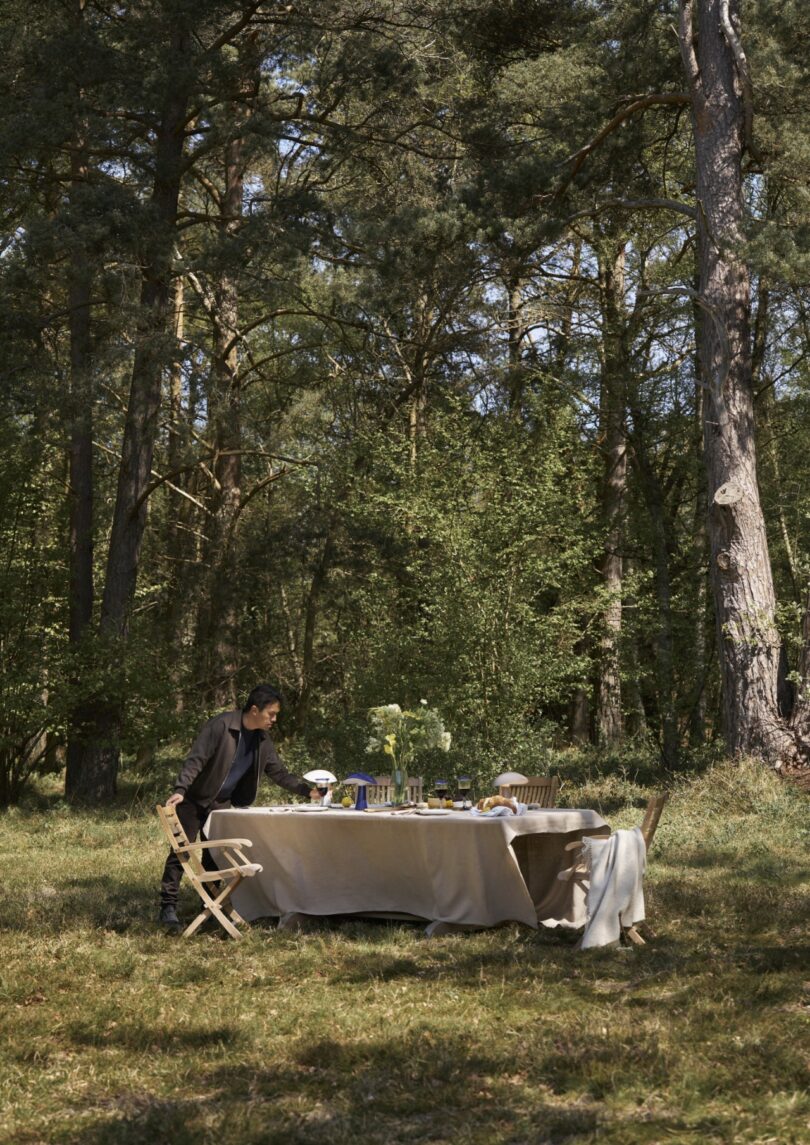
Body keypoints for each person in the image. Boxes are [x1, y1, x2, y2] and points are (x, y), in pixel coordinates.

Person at [158, 683, 315, 929]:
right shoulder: (221, 726)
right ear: (254, 710)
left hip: (221, 804)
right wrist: (180, 790)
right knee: (181, 854)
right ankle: (168, 908)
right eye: (271, 714)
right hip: (194, 799)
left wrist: (308, 791)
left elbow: (279, 773)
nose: (274, 719)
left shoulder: (262, 739)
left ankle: (208, 907)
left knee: (213, 856)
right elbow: (196, 759)